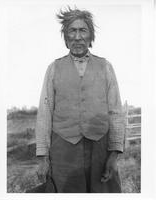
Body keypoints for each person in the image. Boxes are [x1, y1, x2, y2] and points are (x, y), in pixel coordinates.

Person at [35, 7, 125, 193]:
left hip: (100, 149)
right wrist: (43, 156)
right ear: (65, 37)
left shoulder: (105, 67)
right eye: (72, 31)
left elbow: (115, 112)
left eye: (82, 30)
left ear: (90, 35)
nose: (77, 37)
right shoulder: (54, 69)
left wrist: (113, 154)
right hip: (64, 151)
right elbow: (45, 112)